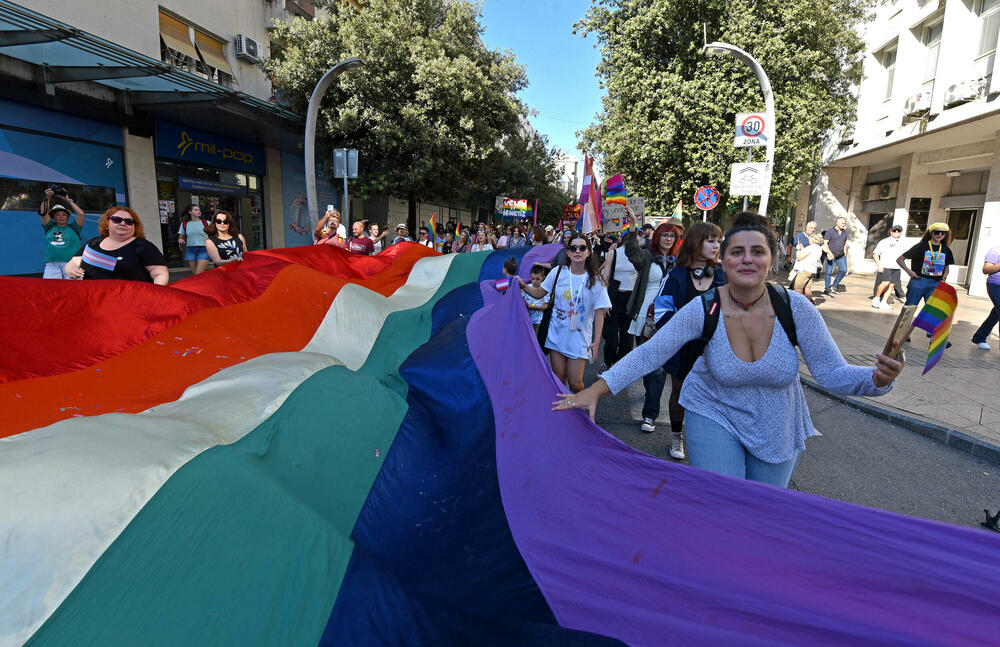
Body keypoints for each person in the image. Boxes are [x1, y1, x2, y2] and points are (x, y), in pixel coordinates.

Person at [554, 212, 904, 488]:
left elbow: (833, 373)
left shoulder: (797, 309)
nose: (747, 260)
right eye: (737, 251)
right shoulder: (704, 308)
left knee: (763, 514)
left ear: (773, 259)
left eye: (758, 252)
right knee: (722, 504)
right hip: (713, 412)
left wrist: (877, 378)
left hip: (777, 425)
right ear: (725, 259)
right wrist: (596, 390)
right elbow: (651, 352)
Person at [641, 222, 725, 460]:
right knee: (680, 392)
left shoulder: (722, 275)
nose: (716, 245)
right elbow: (661, 311)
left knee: (711, 396)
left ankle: (709, 438)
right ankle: (677, 436)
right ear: (695, 243)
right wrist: (686, 330)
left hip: (715, 348)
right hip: (683, 349)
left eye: (718, 241)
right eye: (710, 240)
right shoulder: (676, 275)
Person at [519, 234, 611, 393]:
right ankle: (564, 415)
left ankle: (582, 410)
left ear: (588, 252)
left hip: (579, 337)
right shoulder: (558, 272)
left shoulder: (596, 280)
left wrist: (596, 341)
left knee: (575, 383)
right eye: (573, 248)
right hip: (556, 334)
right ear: (568, 252)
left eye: (582, 247)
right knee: (558, 379)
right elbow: (540, 292)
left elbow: (599, 312)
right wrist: (522, 286)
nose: (577, 251)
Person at [65, 206, 168, 285]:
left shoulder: (143, 246)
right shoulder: (93, 243)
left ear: (135, 227)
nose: (123, 223)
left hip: (130, 303)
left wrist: (154, 297)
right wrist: (71, 270)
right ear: (107, 222)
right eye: (117, 219)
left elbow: (159, 274)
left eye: (129, 222)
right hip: (93, 300)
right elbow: (73, 263)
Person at [896, 222, 954, 308]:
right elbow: (900, 259)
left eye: (943, 233)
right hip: (919, 281)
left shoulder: (946, 249)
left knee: (932, 311)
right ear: (931, 233)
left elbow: (946, 267)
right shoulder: (921, 246)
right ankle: (905, 322)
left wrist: (944, 278)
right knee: (910, 308)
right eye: (937, 232)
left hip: (936, 283)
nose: (940, 234)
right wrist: (909, 272)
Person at [39, 188, 85, 279]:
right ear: (53, 217)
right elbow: (43, 213)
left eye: (64, 214)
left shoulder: (74, 227)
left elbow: (81, 214)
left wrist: (68, 200)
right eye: (57, 214)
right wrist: (47, 197)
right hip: (52, 264)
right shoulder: (49, 227)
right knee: (51, 289)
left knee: (74, 289)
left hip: (72, 263)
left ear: (68, 217)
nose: (61, 217)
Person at [971, 245, 1000, 350]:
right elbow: (986, 269)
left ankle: (980, 337)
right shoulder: (996, 250)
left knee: (996, 314)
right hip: (996, 285)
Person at [871, 224, 905, 310]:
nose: (896, 232)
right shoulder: (884, 241)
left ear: (901, 233)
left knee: (891, 286)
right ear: (891, 232)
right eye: (894, 230)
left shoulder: (903, 243)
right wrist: (879, 265)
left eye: (898, 231)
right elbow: (875, 254)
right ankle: (876, 298)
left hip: (896, 267)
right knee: (885, 283)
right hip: (886, 266)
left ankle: (884, 302)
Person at [177, 204, 211, 275]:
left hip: (204, 249)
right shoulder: (184, 224)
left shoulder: (206, 223)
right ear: (190, 212)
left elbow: (213, 235)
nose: (198, 211)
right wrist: (180, 239)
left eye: (199, 210)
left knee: (198, 273)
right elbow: (181, 237)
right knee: (195, 274)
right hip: (190, 249)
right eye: (195, 210)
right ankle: (203, 285)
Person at [789, 233, 824, 303]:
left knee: (798, 288)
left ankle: (800, 304)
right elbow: (809, 255)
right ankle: (809, 304)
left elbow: (799, 257)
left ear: (812, 239)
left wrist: (798, 249)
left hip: (804, 270)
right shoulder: (818, 248)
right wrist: (802, 249)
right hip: (812, 270)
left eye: (810, 238)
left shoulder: (811, 247)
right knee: (807, 288)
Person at [822, 216, 849, 296]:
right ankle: (827, 288)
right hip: (831, 254)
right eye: (842, 223)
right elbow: (825, 243)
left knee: (844, 270)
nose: (843, 225)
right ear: (837, 223)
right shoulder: (830, 231)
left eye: (844, 223)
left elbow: (844, 244)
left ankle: (834, 286)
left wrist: (845, 254)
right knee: (829, 272)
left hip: (841, 255)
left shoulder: (845, 232)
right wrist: (829, 253)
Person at [523, 264, 550, 334]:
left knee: (535, 339)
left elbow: (545, 306)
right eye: (533, 279)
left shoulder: (545, 290)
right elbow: (521, 300)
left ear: (543, 277)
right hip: (526, 320)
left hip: (538, 322)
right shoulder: (527, 288)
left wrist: (532, 307)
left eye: (537, 279)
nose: (535, 281)